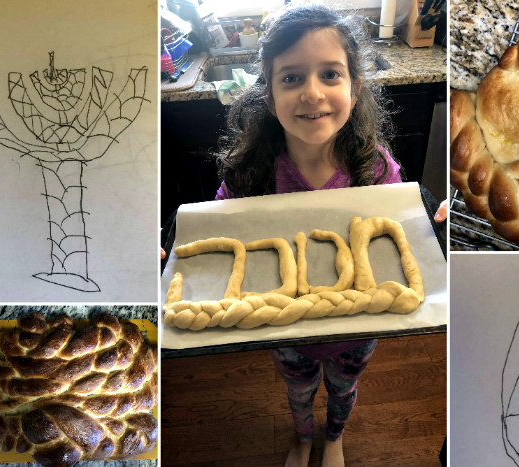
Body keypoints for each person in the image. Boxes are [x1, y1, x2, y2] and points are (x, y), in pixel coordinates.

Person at [168, 4, 446, 466]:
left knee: (344, 388)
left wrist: (434, 225)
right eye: (292, 78)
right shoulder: (249, 175)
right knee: (297, 390)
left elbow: (400, 233)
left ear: (355, 89)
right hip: (283, 329)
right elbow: (211, 235)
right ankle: (301, 436)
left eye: (330, 75)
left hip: (358, 329)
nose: (312, 93)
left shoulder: (374, 168)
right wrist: (170, 251)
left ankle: (333, 437)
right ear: (269, 93)